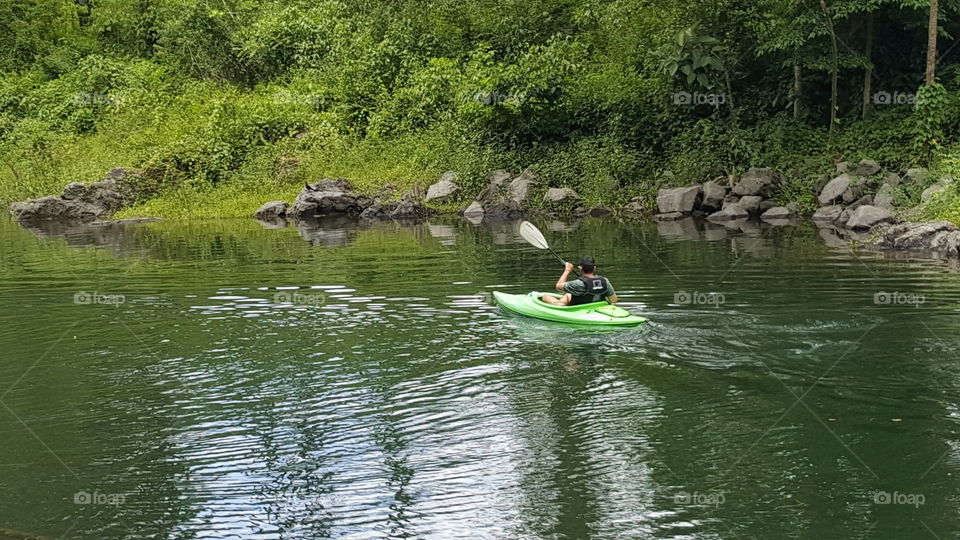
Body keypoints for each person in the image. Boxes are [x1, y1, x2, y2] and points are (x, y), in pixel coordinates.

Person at [542, 256, 618, 306]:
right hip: (598, 308)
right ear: (594, 268)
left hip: (580, 310)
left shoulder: (578, 284)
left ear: (580, 268)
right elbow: (613, 300)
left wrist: (567, 270)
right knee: (568, 295)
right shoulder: (605, 281)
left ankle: (560, 305)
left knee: (545, 296)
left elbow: (558, 286)